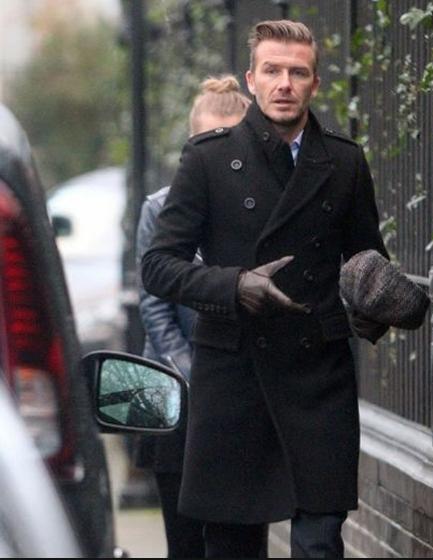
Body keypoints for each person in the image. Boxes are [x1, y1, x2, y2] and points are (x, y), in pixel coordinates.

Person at [142, 20, 389, 559]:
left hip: (318, 374)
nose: (284, 84)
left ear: (315, 83)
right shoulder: (208, 158)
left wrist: (379, 303)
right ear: (252, 79)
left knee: (320, 540)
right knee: (231, 543)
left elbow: (366, 261)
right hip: (234, 374)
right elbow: (158, 267)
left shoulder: (344, 162)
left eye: (297, 73)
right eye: (272, 71)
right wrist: (234, 285)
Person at [135, 75, 252, 559]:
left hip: (240, 388)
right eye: (207, 140)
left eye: (231, 141)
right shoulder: (159, 209)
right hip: (173, 390)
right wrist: (189, 370)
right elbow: (153, 302)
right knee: (182, 536)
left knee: (242, 536)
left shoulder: (259, 207)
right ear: (190, 143)